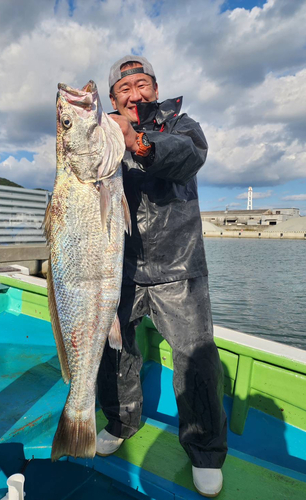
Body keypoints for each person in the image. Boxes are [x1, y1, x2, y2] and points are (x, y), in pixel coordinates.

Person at [96, 55, 227, 498]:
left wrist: (137, 141)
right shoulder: (102, 133)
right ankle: (120, 422)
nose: (135, 93)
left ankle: (205, 450)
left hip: (179, 267)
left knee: (196, 361)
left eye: (142, 83)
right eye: (124, 88)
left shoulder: (181, 124)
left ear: (156, 87)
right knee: (116, 353)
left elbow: (188, 159)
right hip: (120, 267)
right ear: (113, 98)